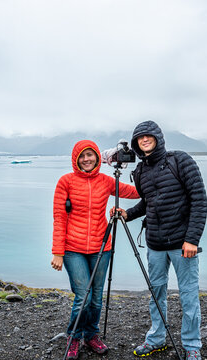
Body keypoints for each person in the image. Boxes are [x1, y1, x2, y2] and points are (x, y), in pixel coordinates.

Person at [112, 121, 207, 360]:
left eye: (148, 136)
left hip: (182, 243)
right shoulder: (140, 171)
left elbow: (199, 200)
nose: (144, 140)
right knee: (156, 293)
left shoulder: (180, 160)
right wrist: (127, 214)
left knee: (188, 294)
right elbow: (148, 202)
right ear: (135, 144)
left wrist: (192, 239)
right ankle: (156, 339)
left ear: (157, 137)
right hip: (155, 244)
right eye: (139, 138)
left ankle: (192, 345)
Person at [51, 139, 140, 360]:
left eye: (90, 155)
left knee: (96, 298)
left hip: (102, 246)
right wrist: (57, 251)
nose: (86, 159)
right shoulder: (66, 182)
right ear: (76, 159)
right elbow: (59, 218)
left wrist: (149, 175)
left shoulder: (106, 181)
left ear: (98, 158)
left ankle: (91, 335)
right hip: (73, 249)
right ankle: (74, 338)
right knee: (83, 296)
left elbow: (135, 192)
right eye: (82, 156)